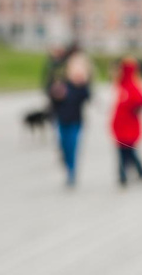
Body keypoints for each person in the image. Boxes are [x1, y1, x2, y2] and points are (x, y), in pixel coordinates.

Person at [54, 51, 92, 187]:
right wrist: (56, 94)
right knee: (63, 145)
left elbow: (88, 98)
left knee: (73, 146)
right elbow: (52, 98)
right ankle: (66, 161)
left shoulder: (83, 85)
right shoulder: (62, 82)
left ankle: (71, 172)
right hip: (61, 119)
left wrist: (82, 84)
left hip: (76, 120)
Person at [111, 58, 142, 186]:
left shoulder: (131, 85)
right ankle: (137, 171)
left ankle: (124, 175)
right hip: (121, 126)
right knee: (126, 151)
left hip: (128, 126)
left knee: (126, 151)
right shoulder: (122, 85)